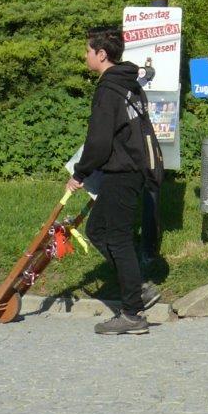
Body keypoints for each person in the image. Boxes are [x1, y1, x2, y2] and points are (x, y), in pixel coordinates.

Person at [67, 26, 161, 335]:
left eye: (88, 51)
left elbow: (99, 141)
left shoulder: (109, 89)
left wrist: (79, 173)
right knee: (97, 230)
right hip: (129, 168)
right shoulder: (128, 82)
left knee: (116, 237)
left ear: (101, 54)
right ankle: (138, 288)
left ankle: (132, 314)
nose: (85, 55)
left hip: (124, 171)